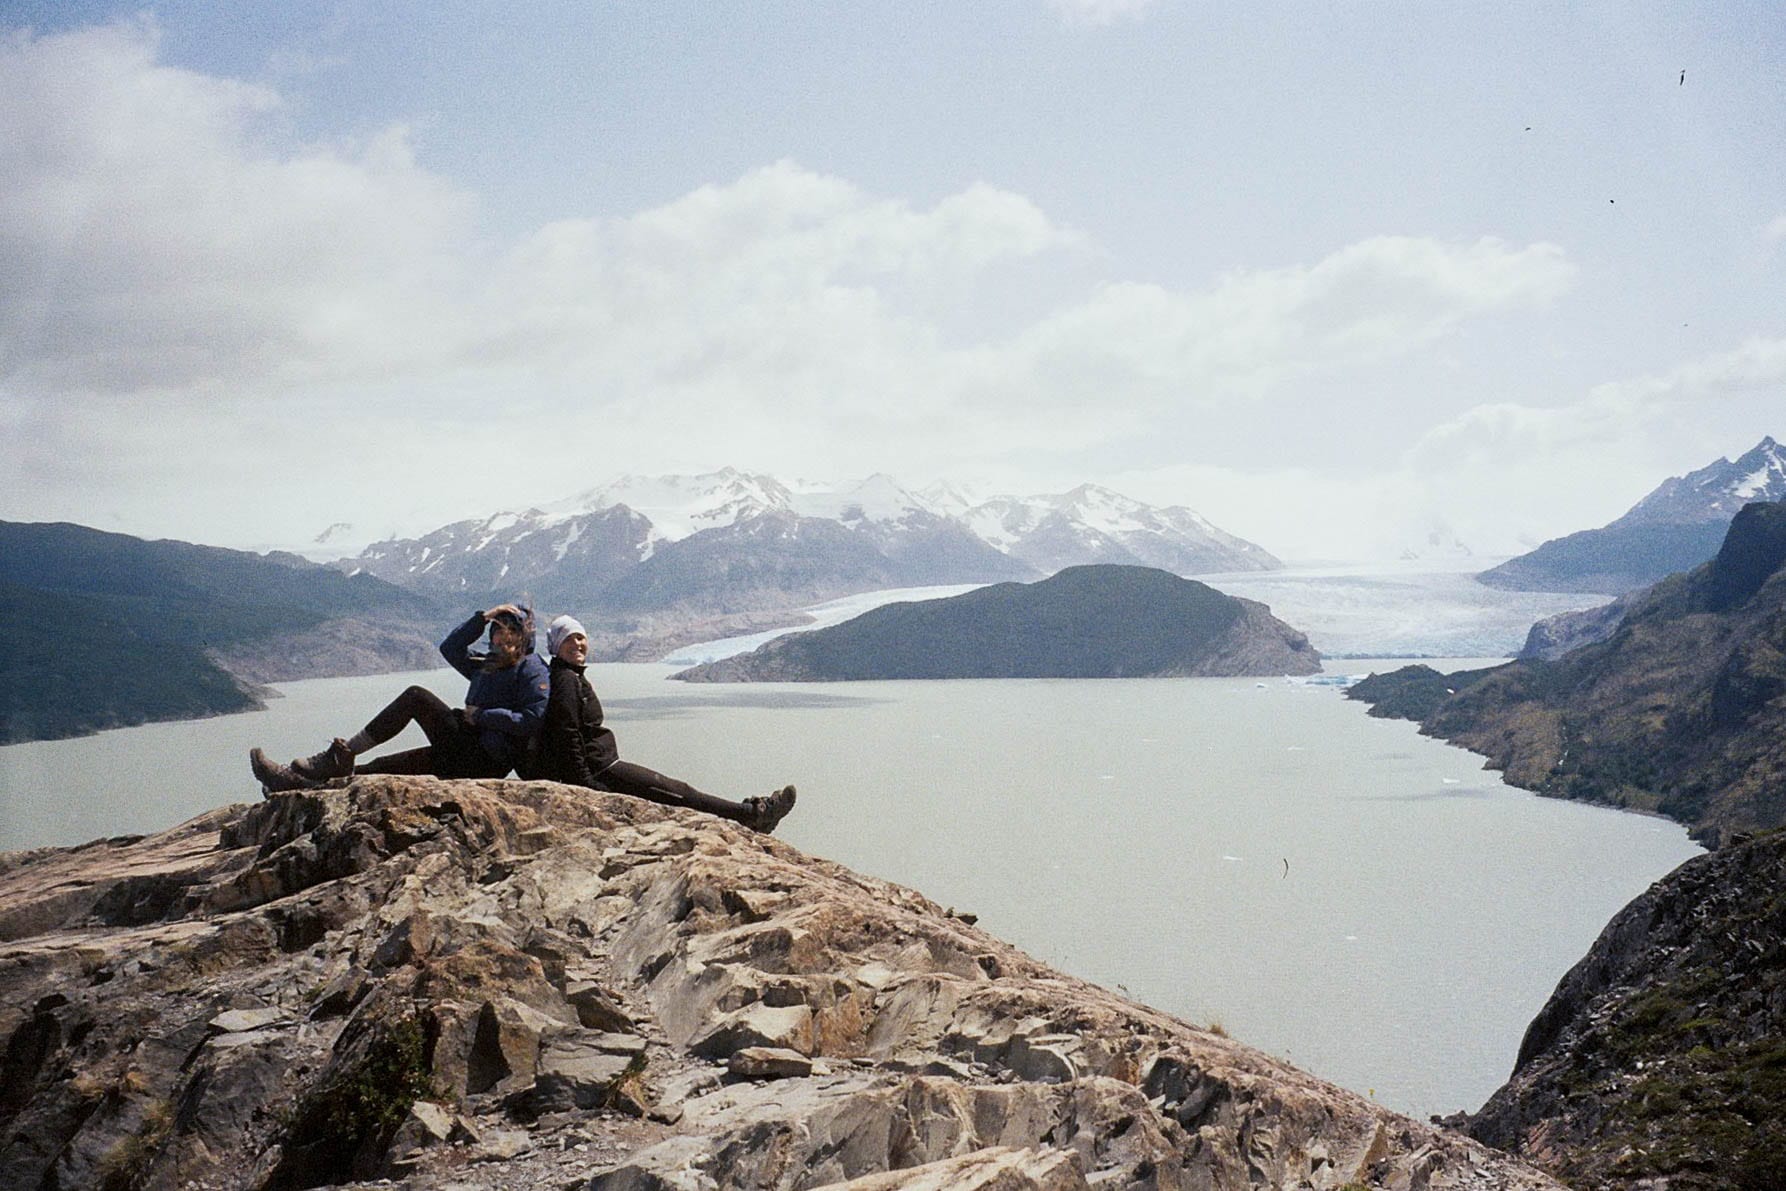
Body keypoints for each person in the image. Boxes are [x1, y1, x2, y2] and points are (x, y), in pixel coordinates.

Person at [537, 614, 796, 833]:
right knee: (675, 792)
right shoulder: (565, 680)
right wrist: (585, 784)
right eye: (568, 639)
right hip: (599, 768)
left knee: (674, 790)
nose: (577, 644)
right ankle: (753, 814)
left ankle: (750, 812)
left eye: (580, 637)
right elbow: (566, 732)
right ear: (556, 646)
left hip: (602, 764)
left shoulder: (570, 676)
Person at [249, 604, 550, 791]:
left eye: (510, 630)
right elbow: (449, 648)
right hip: (461, 750)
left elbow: (533, 720)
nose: (502, 636)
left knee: (416, 696)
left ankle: (342, 754)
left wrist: (483, 716)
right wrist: (482, 618)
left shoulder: (532, 668)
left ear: (524, 635)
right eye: (497, 630)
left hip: (483, 760)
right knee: (374, 771)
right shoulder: (488, 664)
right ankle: (290, 784)